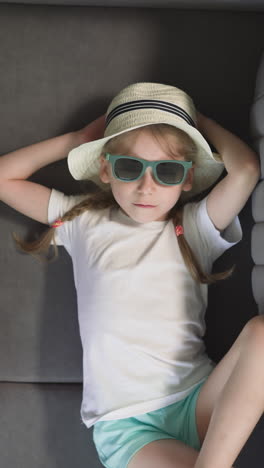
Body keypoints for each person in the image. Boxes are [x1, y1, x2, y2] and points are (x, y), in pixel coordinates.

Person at [0, 82, 261, 468]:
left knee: (260, 332)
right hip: (128, 426)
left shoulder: (195, 229)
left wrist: (199, 123)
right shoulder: (83, 221)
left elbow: (246, 170)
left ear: (186, 178)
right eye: (129, 167)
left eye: (167, 171)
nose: (146, 186)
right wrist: (75, 140)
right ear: (106, 169)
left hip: (198, 399)